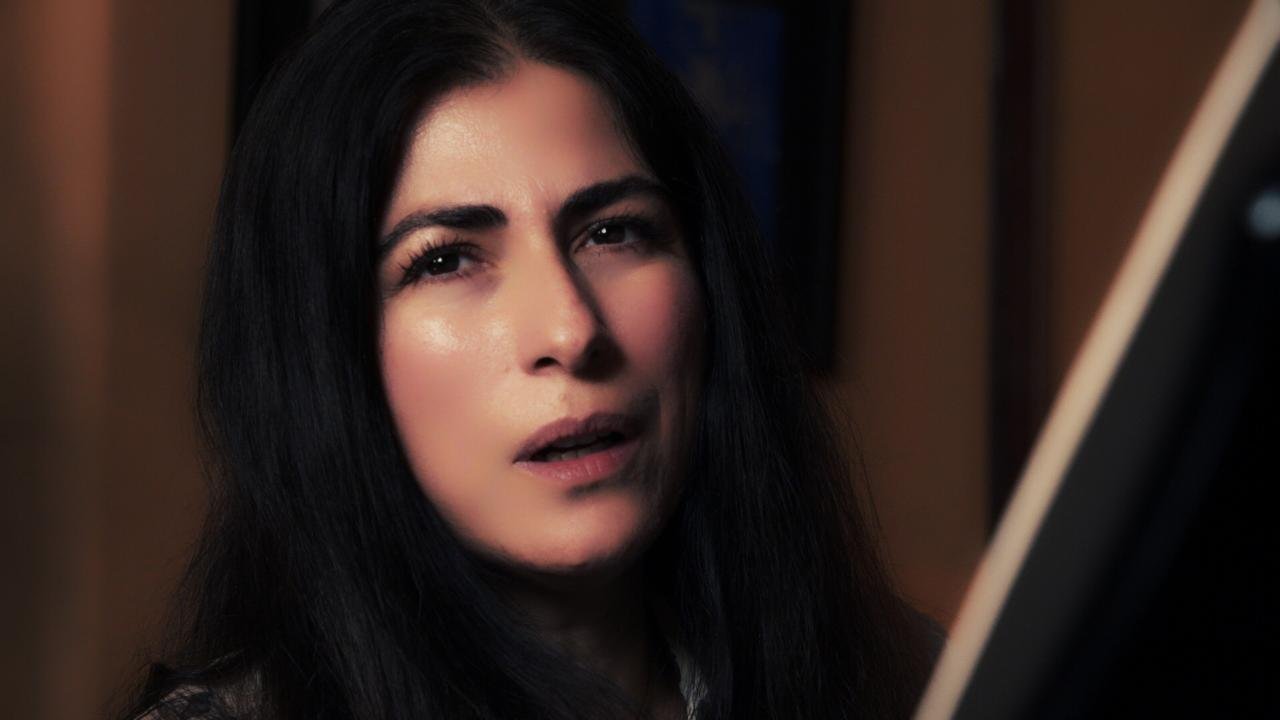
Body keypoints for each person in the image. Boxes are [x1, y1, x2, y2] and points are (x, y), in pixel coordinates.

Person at [120, 1, 939, 718]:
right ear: (324, 351)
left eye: (613, 232)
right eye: (445, 260)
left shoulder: (913, 682)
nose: (571, 331)